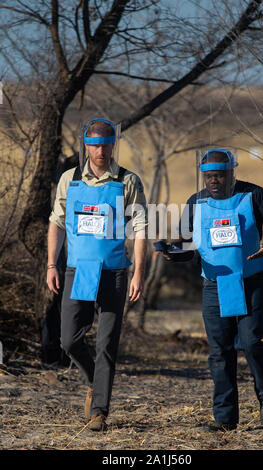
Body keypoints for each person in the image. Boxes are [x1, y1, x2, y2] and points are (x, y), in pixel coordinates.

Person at [157, 148, 263, 431]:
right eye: (209, 176)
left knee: (251, 343)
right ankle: (225, 419)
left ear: (232, 173)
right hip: (214, 287)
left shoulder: (253, 194)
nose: (214, 181)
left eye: (219, 175)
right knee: (220, 352)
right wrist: (171, 250)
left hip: (250, 282)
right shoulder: (196, 203)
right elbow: (188, 246)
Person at [46, 118, 147, 431]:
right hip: (78, 271)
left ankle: (99, 412)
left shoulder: (127, 181)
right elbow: (57, 223)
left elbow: (141, 228)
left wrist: (138, 272)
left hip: (114, 273)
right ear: (85, 145)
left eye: (105, 144)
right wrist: (52, 264)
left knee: (106, 343)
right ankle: (93, 380)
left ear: (113, 144)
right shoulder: (69, 180)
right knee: (67, 341)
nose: (100, 150)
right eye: (94, 144)